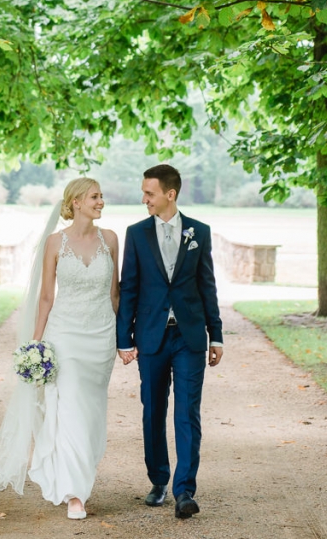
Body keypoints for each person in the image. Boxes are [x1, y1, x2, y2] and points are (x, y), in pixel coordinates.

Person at [0, 178, 119, 520]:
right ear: (76, 202)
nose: (101, 202)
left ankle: (79, 474)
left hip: (101, 336)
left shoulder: (110, 240)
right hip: (66, 336)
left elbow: (115, 295)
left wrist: (124, 340)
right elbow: (46, 296)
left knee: (91, 415)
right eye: (95, 196)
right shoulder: (53, 243)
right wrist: (36, 344)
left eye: (101, 196)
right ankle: (75, 493)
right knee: (71, 410)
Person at [116, 164, 223, 519]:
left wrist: (216, 334)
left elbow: (207, 286)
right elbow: (128, 287)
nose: (144, 198)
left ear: (169, 194)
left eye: (149, 193)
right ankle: (159, 479)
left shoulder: (199, 232)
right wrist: (124, 338)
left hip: (190, 336)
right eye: (144, 193)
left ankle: (184, 491)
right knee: (153, 412)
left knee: (187, 413)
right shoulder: (136, 233)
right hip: (151, 337)